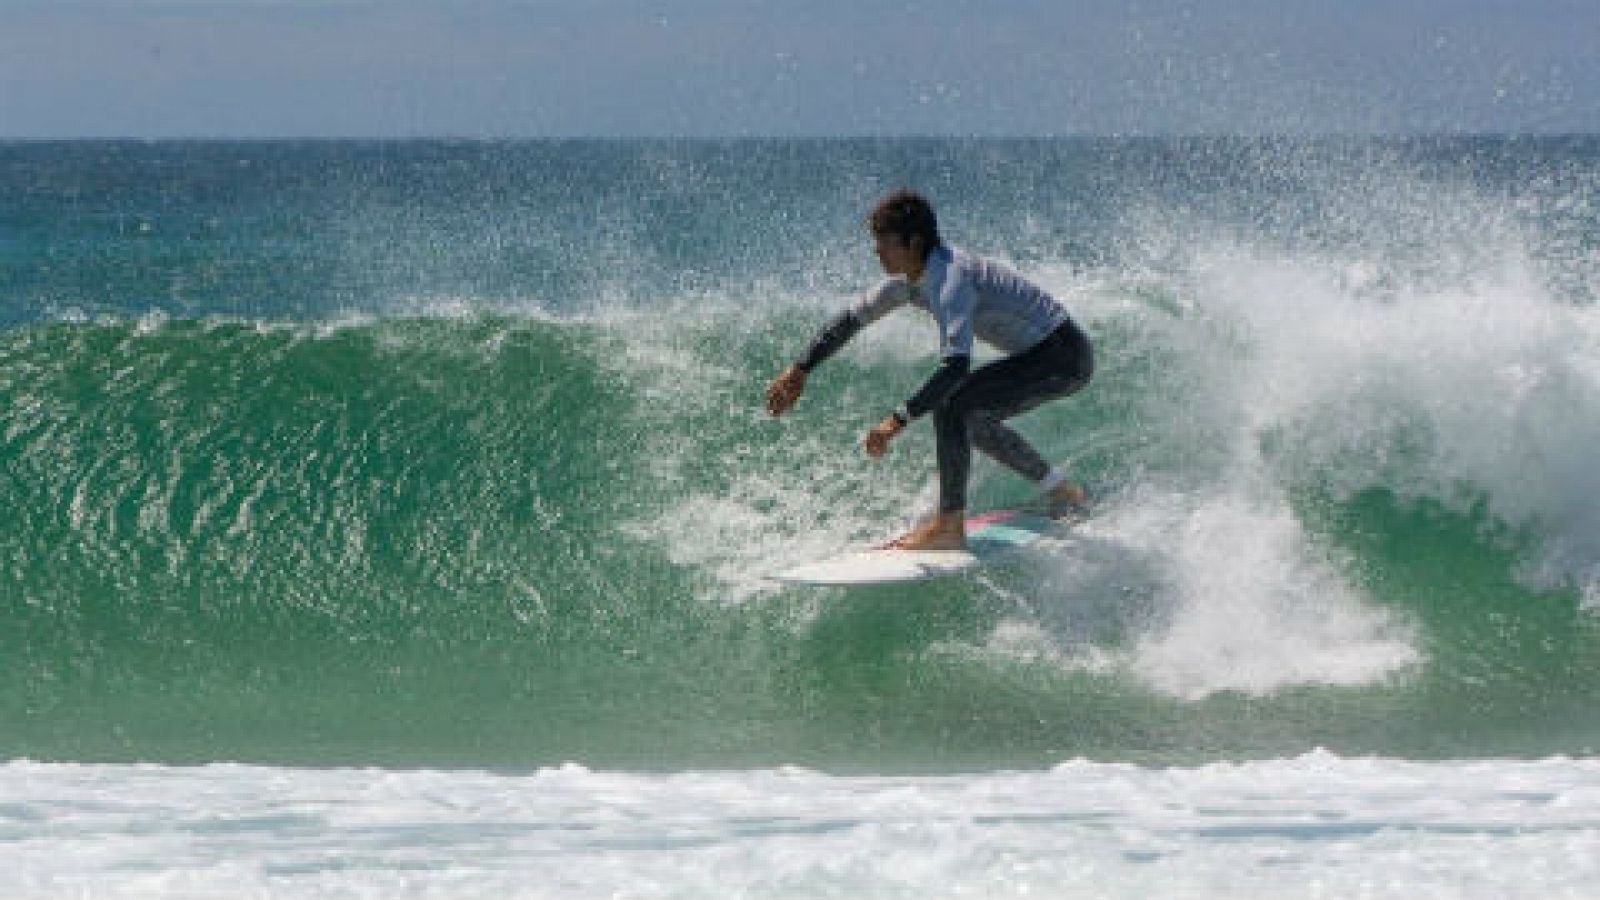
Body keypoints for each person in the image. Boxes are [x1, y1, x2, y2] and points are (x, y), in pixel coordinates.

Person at [765, 188, 1094, 551]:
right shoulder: (907, 281)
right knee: (971, 417)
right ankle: (1063, 492)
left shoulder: (952, 279)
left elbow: (954, 368)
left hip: (1063, 355)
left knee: (954, 405)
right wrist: (800, 369)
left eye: (885, 243)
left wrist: (896, 420)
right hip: (1047, 353)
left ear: (914, 242)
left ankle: (949, 525)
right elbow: (849, 321)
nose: (876, 251)